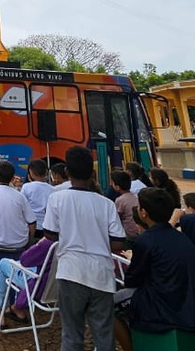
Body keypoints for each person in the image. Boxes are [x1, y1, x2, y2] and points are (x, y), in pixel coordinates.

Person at [43, 146, 125, 351]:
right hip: (102, 274)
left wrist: (71, 234)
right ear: (92, 173)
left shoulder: (57, 198)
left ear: (67, 172)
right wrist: (96, 239)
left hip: (71, 272)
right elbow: (118, 243)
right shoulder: (106, 204)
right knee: (104, 335)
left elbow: (50, 234)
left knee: (72, 334)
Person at [112, 188, 195, 351]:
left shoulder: (145, 240)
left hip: (164, 306)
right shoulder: (181, 236)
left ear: (143, 213)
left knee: (107, 306)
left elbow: (133, 280)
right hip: (191, 302)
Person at [0, 236, 56, 329]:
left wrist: (39, 244)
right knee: (21, 266)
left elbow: (24, 260)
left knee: (3, 263)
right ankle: (17, 308)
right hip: (55, 288)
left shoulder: (47, 244)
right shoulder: (69, 244)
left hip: (37, 287)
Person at [21, 159, 54, 232]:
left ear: (31, 172)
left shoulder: (26, 187)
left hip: (31, 226)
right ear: (46, 172)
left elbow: (22, 206)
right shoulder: (52, 189)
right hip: (47, 226)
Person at [110, 172, 139, 245]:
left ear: (117, 187)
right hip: (138, 231)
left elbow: (117, 218)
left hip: (129, 235)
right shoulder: (136, 196)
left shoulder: (120, 200)